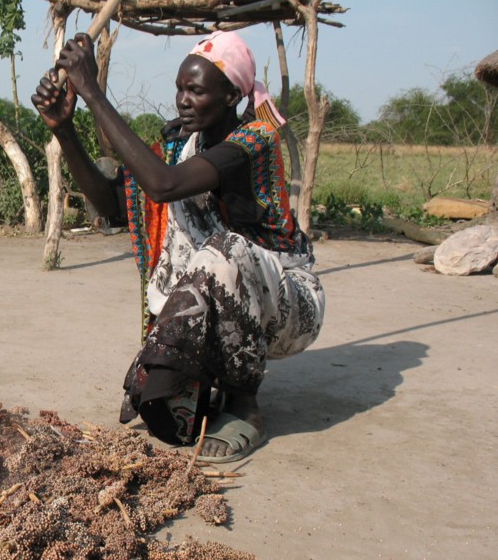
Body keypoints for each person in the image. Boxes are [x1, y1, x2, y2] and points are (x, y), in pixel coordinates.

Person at [31, 31, 326, 463]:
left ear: (230, 97)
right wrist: (65, 130)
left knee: (224, 249)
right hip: (226, 291)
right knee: (180, 258)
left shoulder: (254, 142)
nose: (183, 100)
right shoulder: (177, 146)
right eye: (180, 88)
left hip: (286, 308)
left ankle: (245, 405)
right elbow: (114, 206)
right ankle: (197, 384)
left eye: (196, 90)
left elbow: (164, 185)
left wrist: (92, 92)